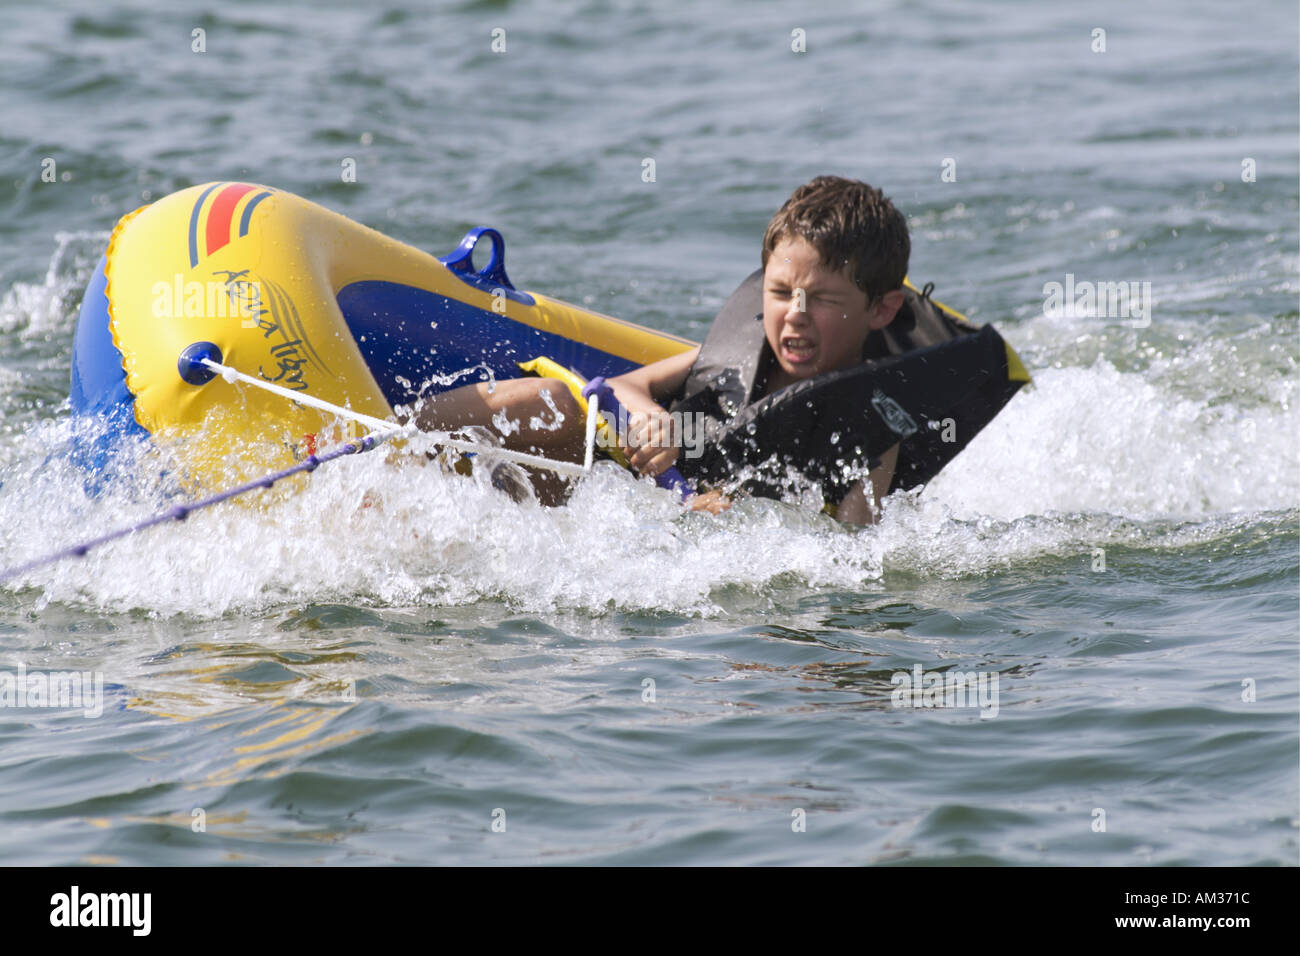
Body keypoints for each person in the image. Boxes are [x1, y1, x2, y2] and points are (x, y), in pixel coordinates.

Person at [414, 175, 909, 525]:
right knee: (556, 402)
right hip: (611, 485)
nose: (795, 314)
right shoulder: (738, 351)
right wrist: (652, 416)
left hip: (649, 535)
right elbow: (628, 386)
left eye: (821, 299)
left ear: (881, 309)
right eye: (781, 293)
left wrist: (712, 519)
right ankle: (392, 440)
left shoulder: (872, 429)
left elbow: (846, 553)